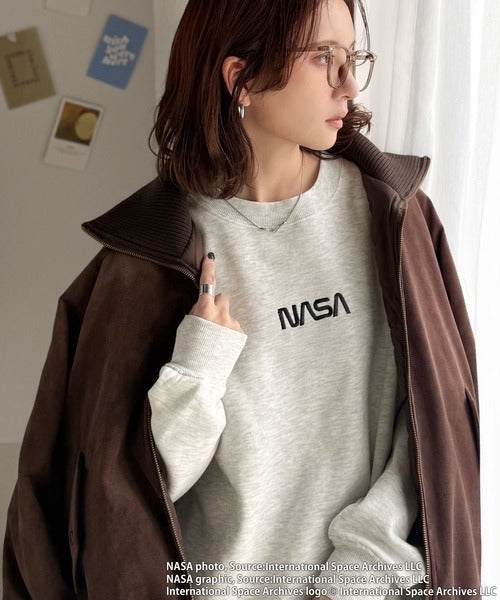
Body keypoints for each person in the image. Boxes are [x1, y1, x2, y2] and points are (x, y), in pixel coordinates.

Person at [3, 0, 480, 599]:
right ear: (242, 78)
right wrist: (198, 368)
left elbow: (435, 433)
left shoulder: (398, 219)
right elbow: (120, 499)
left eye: (351, 55)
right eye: (322, 56)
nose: (348, 83)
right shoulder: (147, 259)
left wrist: (355, 579)